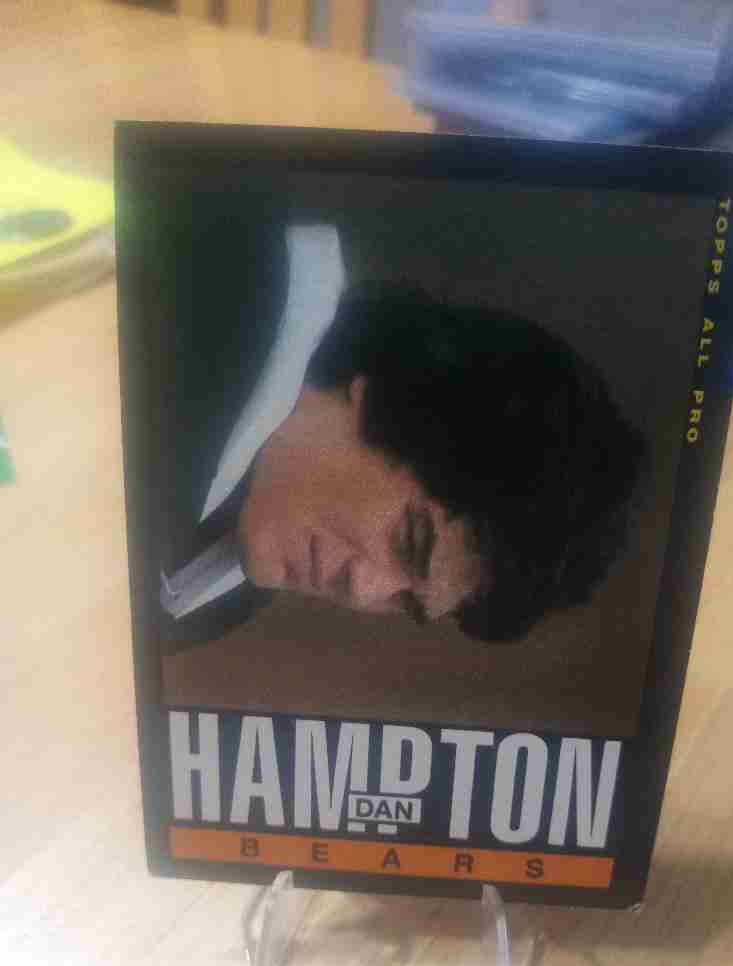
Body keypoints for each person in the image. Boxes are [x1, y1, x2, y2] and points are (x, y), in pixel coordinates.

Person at [132, 186, 644, 652]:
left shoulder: (226, 599)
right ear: (392, 398)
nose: (363, 590)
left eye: (407, 602)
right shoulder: (196, 280)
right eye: (409, 541)